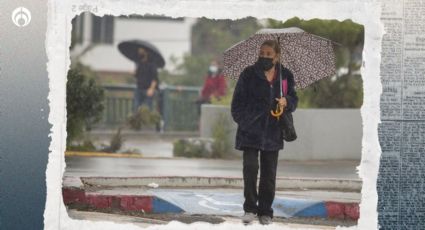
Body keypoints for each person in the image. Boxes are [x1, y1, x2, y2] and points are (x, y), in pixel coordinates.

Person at [230, 40, 298, 225]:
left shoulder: (285, 76)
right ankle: (250, 209)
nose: (265, 57)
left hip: (273, 131)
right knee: (250, 169)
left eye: (269, 54)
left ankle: (265, 211)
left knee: (269, 175)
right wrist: (245, 122)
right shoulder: (249, 74)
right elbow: (236, 104)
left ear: (277, 56)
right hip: (250, 131)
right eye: (262, 53)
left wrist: (287, 102)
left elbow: (294, 99)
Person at [133, 47, 159, 112]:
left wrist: (151, 89)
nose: (139, 52)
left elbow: (155, 78)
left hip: (148, 90)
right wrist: (135, 73)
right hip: (139, 88)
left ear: (146, 52)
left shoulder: (152, 64)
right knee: (136, 107)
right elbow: (137, 76)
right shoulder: (139, 63)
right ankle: (137, 121)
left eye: (141, 50)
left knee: (147, 109)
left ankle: (147, 121)